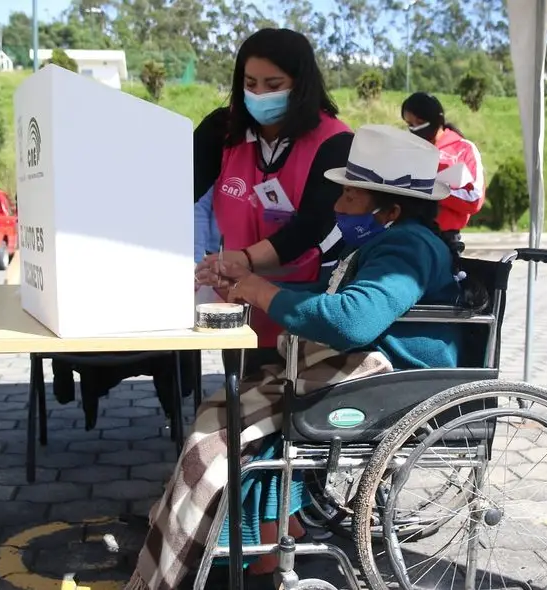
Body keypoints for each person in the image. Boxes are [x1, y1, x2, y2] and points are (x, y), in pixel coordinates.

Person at [124, 125, 469, 590]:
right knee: (222, 413)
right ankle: (257, 541)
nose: (337, 206)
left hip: (395, 382)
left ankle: (245, 551)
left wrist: (265, 292)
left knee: (223, 438)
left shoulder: (407, 248)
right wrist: (260, 290)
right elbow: (332, 296)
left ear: (389, 209)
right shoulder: (389, 240)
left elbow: (352, 321)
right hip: (372, 371)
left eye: (348, 196)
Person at [192, 28, 354, 372]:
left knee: (293, 387)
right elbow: (178, 190)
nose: (259, 95)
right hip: (234, 290)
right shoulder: (222, 130)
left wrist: (246, 260)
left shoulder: (334, 141)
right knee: (243, 381)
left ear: (301, 85)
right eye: (250, 84)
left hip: (303, 293)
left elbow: (310, 226)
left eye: (273, 85)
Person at [401, 92, 486, 251]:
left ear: (437, 120)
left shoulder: (462, 149)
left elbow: (474, 198)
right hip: (408, 233)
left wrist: (431, 189)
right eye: (409, 124)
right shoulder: (407, 148)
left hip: (445, 238)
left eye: (419, 122)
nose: (414, 129)